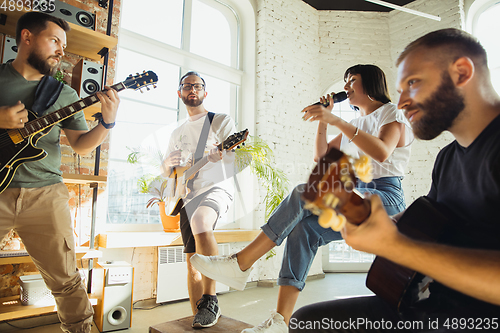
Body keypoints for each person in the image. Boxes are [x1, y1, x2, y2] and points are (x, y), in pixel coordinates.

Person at [290, 28, 500, 333]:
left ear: (462, 72)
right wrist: (373, 221)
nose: (400, 103)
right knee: (307, 322)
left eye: (413, 83)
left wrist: (398, 247)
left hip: (478, 319)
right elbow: (435, 224)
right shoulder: (448, 160)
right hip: (432, 305)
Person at [190, 64, 413, 332]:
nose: (345, 87)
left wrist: (336, 121)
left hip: (386, 200)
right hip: (360, 193)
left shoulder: (392, 113)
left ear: (372, 83)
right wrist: (324, 120)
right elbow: (322, 158)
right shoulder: (355, 124)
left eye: (352, 80)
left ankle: (241, 262)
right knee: (303, 231)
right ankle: (280, 322)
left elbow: (382, 152)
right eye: (345, 81)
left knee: (302, 192)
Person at [0, 12, 119, 333]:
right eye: (55, 41)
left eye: (64, 45)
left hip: (46, 196)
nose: (61, 51)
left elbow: (81, 145)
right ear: (27, 37)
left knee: (66, 280)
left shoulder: (64, 94)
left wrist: (107, 122)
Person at [160, 71, 237, 328]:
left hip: (215, 188)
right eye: (186, 86)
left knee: (202, 223)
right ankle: (200, 317)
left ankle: (211, 298)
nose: (192, 89)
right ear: (180, 93)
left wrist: (219, 155)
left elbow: (236, 157)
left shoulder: (221, 121)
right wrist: (166, 166)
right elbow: (173, 173)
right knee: (192, 262)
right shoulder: (177, 132)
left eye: (197, 85)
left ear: (205, 92)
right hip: (186, 196)